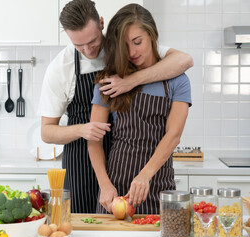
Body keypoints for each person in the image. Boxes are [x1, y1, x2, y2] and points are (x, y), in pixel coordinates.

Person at [39, 0, 193, 214]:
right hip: (86, 159)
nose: (87, 50)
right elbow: (47, 132)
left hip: (143, 170)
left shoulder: (127, 46)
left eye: (92, 41)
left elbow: (185, 60)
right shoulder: (61, 68)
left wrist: (131, 81)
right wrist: (84, 130)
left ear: (101, 24)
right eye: (78, 45)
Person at [88, 3, 192, 215]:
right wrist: (105, 185)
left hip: (158, 188)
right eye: (124, 46)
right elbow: (94, 140)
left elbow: (173, 135)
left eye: (137, 42)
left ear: (152, 35)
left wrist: (145, 175)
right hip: (115, 191)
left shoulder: (178, 81)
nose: (132, 52)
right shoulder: (109, 82)